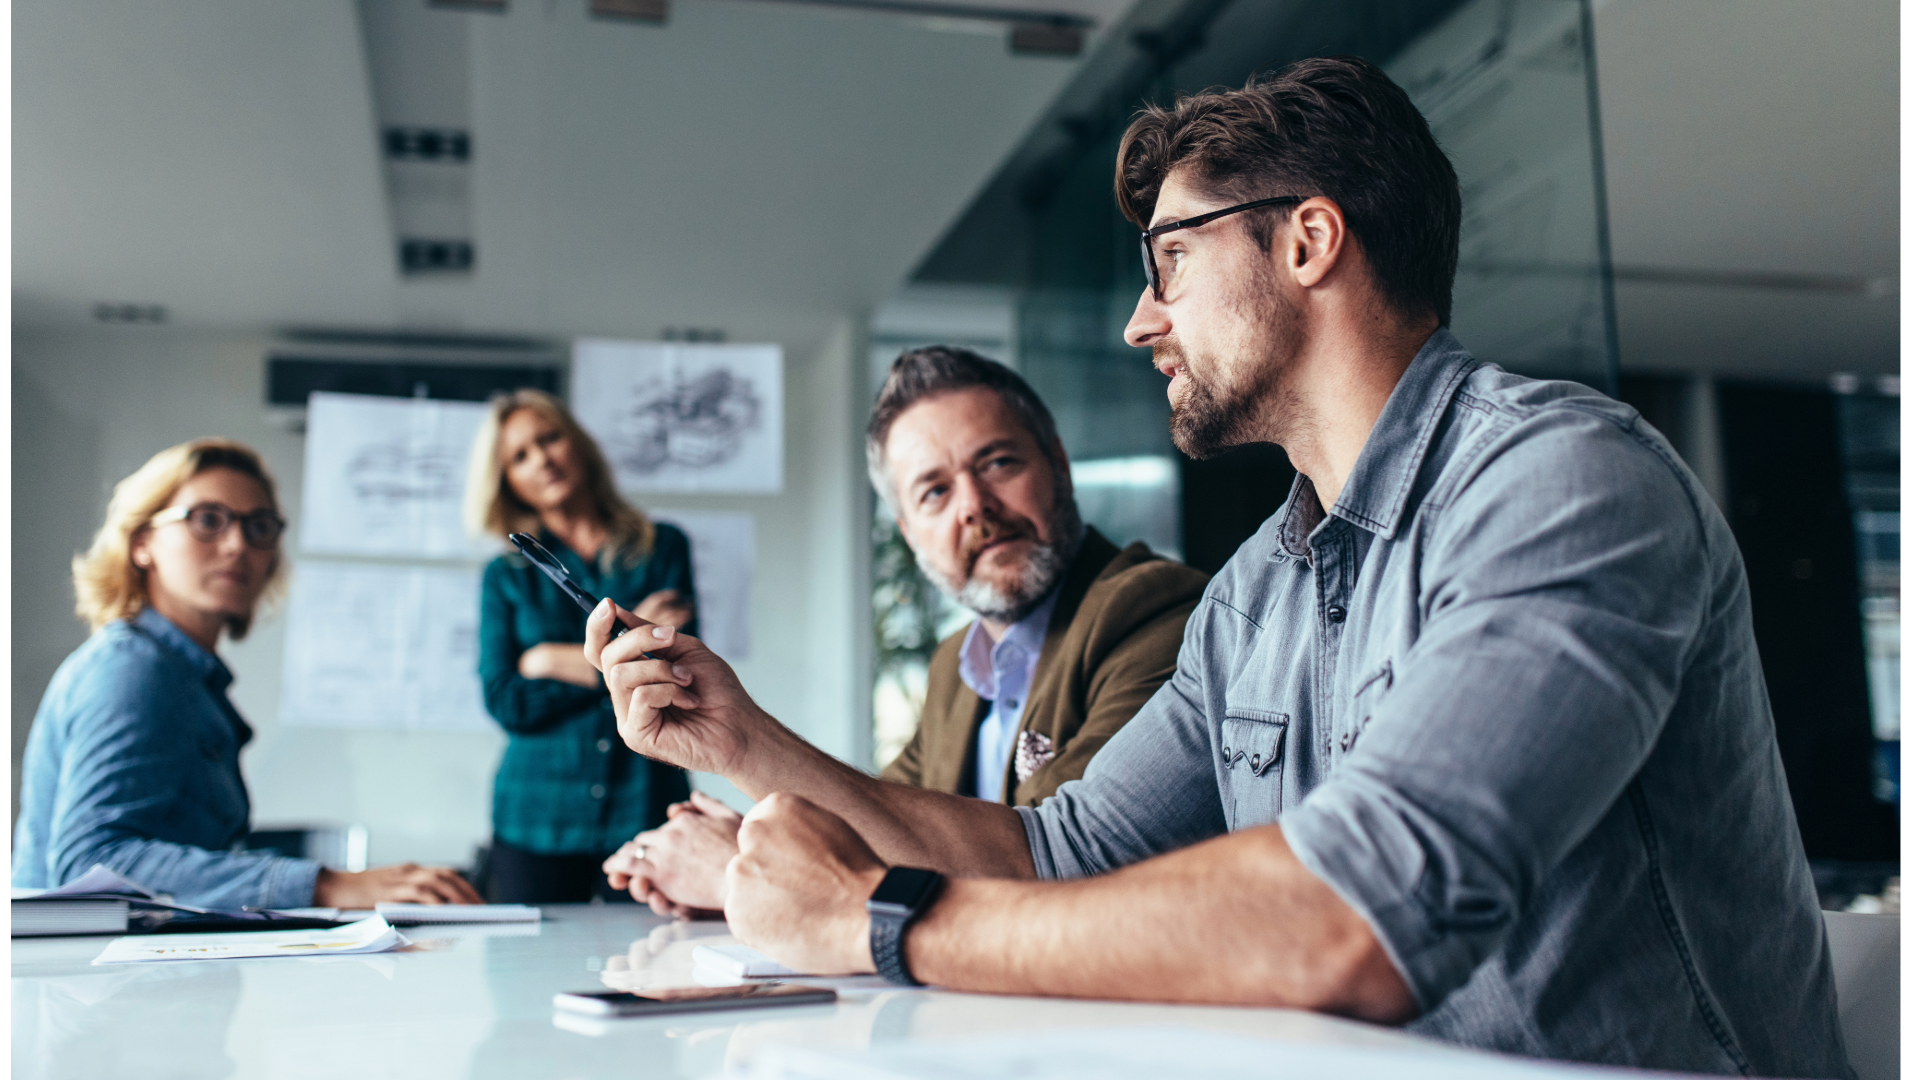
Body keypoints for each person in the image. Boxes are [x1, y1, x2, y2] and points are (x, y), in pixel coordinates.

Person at [583, 57, 1848, 1076]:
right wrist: (740, 742)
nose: (1143, 317)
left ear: (1307, 242)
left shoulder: (1564, 483)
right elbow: (1055, 853)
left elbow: (1357, 915)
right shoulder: (1257, 589)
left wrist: (876, 921)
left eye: (1173, 259)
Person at [602, 347, 1208, 914]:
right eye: (935, 491)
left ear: (1058, 464)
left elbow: (1051, 867)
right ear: (908, 530)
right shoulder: (956, 665)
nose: (973, 505)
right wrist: (755, 832)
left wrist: (741, 867)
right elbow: (881, 826)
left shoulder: (1155, 612)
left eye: (997, 463)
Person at [13, 439, 481, 909]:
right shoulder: (132, 669)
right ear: (142, 543)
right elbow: (90, 865)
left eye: (259, 527)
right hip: (83, 977)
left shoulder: (189, 679)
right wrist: (326, 885)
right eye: (207, 520)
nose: (238, 545)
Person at [467, 389, 697, 903]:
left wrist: (547, 660)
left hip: (644, 804)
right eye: (520, 456)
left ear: (578, 445)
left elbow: (675, 671)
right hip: (536, 816)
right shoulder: (505, 577)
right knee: (528, 977)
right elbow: (506, 699)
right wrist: (621, 659)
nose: (542, 459)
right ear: (507, 481)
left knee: (653, 966)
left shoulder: (663, 548)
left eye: (549, 439)